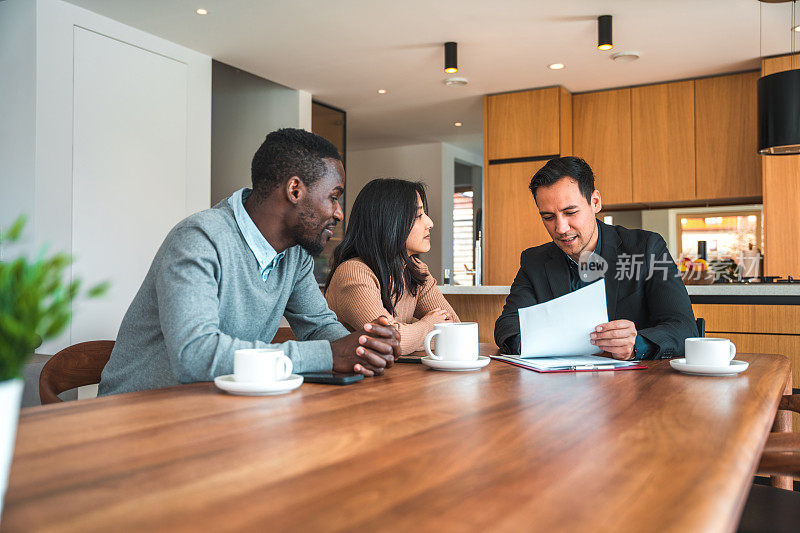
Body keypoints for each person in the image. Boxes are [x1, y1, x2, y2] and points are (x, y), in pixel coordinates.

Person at [99, 129, 400, 395]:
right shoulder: (199, 238)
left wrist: (364, 348)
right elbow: (195, 355)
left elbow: (320, 327)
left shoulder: (294, 255)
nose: (338, 213)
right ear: (295, 190)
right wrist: (330, 355)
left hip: (215, 414)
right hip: (137, 419)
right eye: (334, 197)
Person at [494, 156, 697, 359]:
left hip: (635, 384)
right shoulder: (534, 261)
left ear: (595, 202)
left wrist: (637, 344)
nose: (561, 228)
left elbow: (684, 328)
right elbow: (508, 326)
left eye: (570, 212)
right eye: (548, 217)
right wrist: (543, 344)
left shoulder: (647, 249)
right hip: (558, 384)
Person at [325, 178, 459, 355]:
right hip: (354, 378)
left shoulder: (415, 269)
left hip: (393, 375)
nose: (430, 222)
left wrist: (409, 333)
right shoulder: (353, 272)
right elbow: (389, 341)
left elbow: (455, 329)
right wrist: (428, 325)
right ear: (389, 221)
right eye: (418, 215)